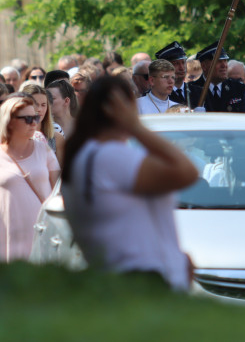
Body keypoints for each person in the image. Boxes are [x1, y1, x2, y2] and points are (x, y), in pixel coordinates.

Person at [62, 77, 198, 291]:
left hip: (123, 277)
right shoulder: (109, 156)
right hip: (143, 280)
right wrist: (136, 127)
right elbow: (188, 173)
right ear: (121, 109)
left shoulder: (84, 154)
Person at [0, 97, 60, 262]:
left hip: (41, 231)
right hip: (3, 233)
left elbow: (58, 193)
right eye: (27, 119)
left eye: (35, 118)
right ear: (9, 121)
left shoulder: (45, 151)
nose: (33, 123)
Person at [194, 43, 245, 112]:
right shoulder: (192, 91)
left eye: (225, 61)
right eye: (218, 61)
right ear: (204, 66)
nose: (224, 65)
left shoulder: (239, 88)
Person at [156, 42, 191, 108]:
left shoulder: (198, 92)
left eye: (183, 62)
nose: (182, 68)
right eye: (176, 64)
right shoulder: (160, 94)